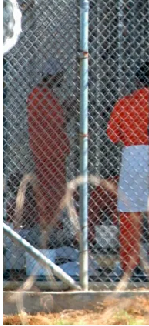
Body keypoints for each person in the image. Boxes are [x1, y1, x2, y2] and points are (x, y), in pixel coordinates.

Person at [107, 63, 149, 277]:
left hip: (132, 156)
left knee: (129, 210)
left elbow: (113, 135)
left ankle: (128, 264)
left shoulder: (124, 103)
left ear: (136, 81)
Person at [27, 59, 77, 247]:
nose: (61, 80)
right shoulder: (42, 96)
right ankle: (52, 229)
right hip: (50, 153)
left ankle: (52, 227)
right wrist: (72, 106)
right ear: (52, 76)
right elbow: (60, 119)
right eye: (59, 76)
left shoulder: (42, 95)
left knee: (52, 191)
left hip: (48, 152)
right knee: (53, 192)